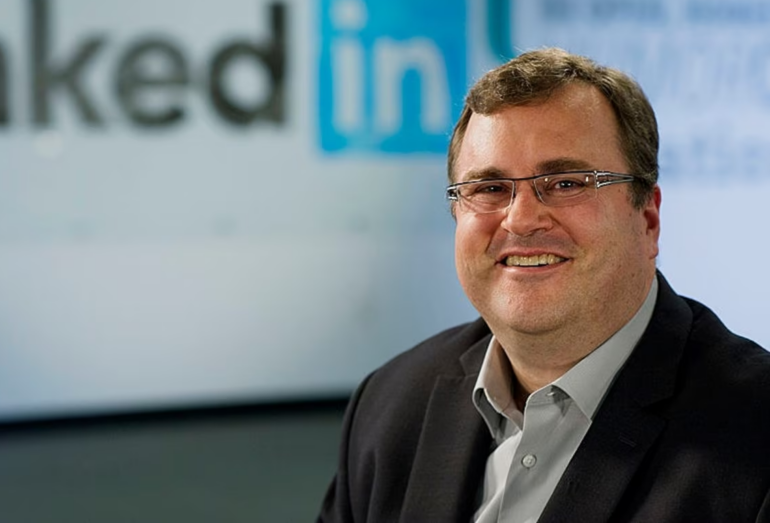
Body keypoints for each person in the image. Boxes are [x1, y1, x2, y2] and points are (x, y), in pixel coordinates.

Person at [316, 48, 770, 523]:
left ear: (648, 219)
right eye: (489, 188)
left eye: (566, 183)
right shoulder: (390, 404)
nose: (521, 219)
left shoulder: (758, 434)